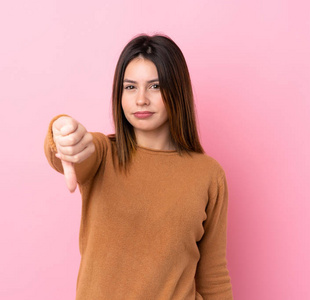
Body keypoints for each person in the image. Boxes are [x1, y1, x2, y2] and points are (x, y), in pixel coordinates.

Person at [44, 34, 233, 299]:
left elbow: (213, 276)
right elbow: (71, 153)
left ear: (177, 90)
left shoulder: (209, 176)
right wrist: (62, 134)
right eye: (130, 87)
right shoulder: (101, 154)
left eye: (155, 86)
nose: (141, 99)